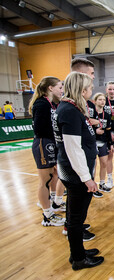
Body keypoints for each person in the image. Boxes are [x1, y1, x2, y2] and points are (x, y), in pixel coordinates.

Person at [53, 71, 104, 270]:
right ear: (82, 90)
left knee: (76, 216)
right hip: (75, 174)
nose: (92, 91)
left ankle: (79, 252)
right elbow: (73, 148)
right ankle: (78, 259)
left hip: (74, 171)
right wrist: (86, 178)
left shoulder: (70, 108)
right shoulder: (69, 110)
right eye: (90, 88)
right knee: (75, 219)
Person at [28, 76, 66, 226]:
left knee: (55, 174)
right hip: (43, 143)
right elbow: (39, 129)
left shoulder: (52, 104)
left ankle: (52, 204)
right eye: (60, 87)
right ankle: (47, 215)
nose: (62, 90)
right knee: (45, 180)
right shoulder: (41, 104)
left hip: (50, 142)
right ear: (50, 88)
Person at [93, 92, 112, 193]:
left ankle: (102, 183)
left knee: (104, 163)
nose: (102, 101)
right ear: (95, 101)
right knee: (93, 165)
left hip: (103, 142)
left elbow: (108, 131)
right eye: (100, 99)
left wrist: (110, 144)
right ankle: (92, 186)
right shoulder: (91, 114)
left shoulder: (107, 115)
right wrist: (95, 131)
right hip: (92, 142)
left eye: (104, 100)